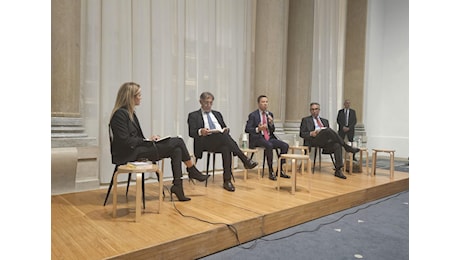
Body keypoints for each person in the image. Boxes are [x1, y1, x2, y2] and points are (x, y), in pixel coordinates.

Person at [110, 82, 209, 202]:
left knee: (177, 149)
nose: (141, 97)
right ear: (131, 97)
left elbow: (135, 138)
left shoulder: (130, 113)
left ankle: (178, 186)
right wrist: (145, 141)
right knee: (178, 141)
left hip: (137, 149)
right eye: (139, 95)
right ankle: (191, 170)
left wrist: (149, 139)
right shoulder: (120, 115)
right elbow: (125, 141)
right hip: (129, 154)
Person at [188, 92, 258, 192]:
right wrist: (200, 131)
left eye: (210, 103)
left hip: (220, 140)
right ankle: (244, 159)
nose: (208, 105)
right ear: (200, 102)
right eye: (206, 103)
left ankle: (227, 181)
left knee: (226, 148)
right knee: (225, 140)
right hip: (205, 141)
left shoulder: (217, 114)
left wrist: (226, 129)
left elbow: (224, 128)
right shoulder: (193, 115)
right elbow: (191, 132)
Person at [299, 102, 360, 179]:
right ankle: (346, 146)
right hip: (314, 140)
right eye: (312, 109)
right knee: (327, 130)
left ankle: (338, 170)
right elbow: (301, 134)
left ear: (319, 110)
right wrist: (311, 133)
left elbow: (330, 135)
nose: (314, 111)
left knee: (337, 145)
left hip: (325, 141)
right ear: (310, 111)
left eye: (316, 109)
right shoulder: (306, 120)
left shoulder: (325, 121)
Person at [245, 95, 290, 181]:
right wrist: (258, 129)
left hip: (268, 137)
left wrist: (271, 123)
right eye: (263, 102)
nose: (265, 104)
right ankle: (271, 171)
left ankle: (280, 170)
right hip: (258, 138)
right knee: (269, 145)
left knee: (285, 146)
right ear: (258, 104)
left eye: (266, 102)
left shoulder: (270, 114)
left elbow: (272, 130)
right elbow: (247, 129)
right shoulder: (253, 115)